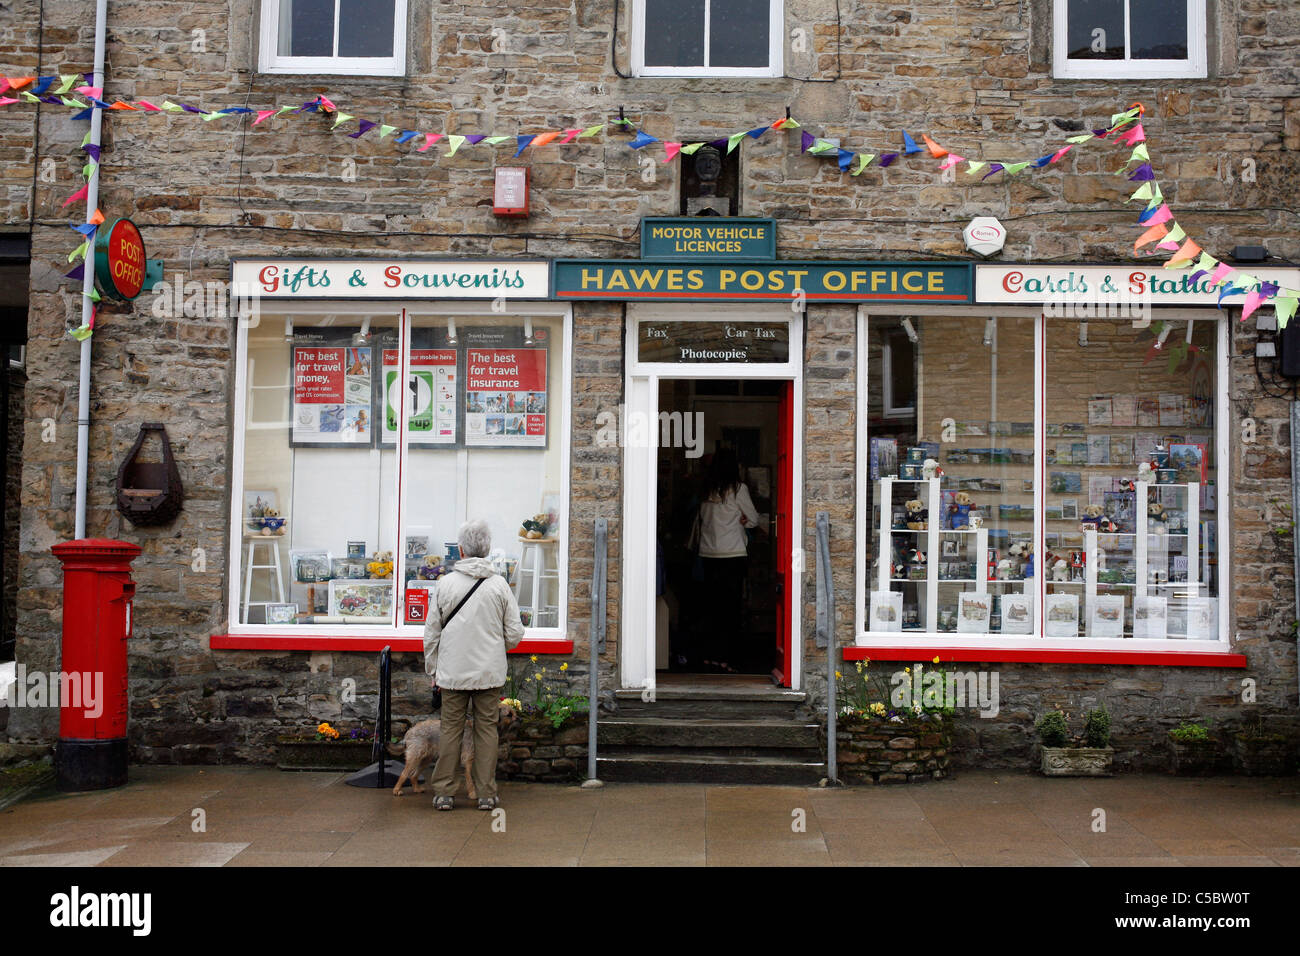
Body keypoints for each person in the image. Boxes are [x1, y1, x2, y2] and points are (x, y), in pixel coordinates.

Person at [423, 519, 525, 811]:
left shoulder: (445, 585)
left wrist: (433, 669)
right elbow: (515, 633)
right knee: (486, 732)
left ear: (460, 550)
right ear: (487, 549)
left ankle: (443, 793)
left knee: (451, 731)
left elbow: (432, 633)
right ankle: (486, 794)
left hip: (452, 673)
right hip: (488, 673)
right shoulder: (499, 586)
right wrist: (496, 647)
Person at [695, 448, 762, 673]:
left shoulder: (706, 489)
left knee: (710, 608)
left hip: (708, 554)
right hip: (732, 555)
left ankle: (709, 657)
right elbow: (753, 519)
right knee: (731, 610)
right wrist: (742, 521)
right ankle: (728, 659)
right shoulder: (738, 488)